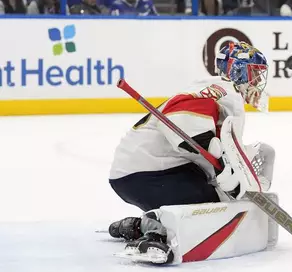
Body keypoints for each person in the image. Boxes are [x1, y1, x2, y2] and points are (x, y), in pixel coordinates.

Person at [108, 42, 277, 265]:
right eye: (254, 73)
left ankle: (138, 225)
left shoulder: (222, 94)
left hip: (147, 171)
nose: (257, 81)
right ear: (238, 71)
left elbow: (218, 146)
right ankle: (155, 235)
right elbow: (180, 117)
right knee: (208, 206)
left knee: (215, 198)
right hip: (145, 172)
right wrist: (215, 155)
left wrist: (228, 169)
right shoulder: (223, 92)